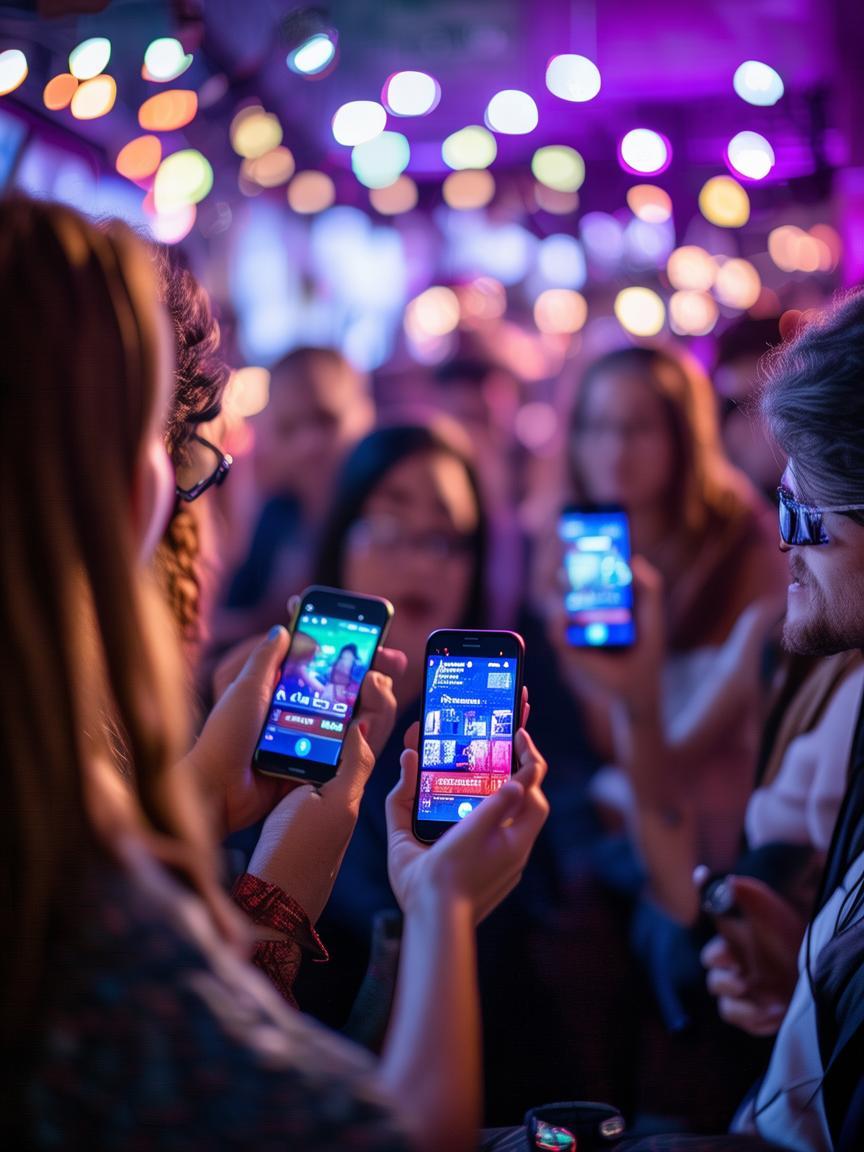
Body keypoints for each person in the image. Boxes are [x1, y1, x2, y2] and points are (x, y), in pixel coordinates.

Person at [0, 197, 550, 1151]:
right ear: (130, 487)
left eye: (443, 536)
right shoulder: (58, 803)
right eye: (170, 444)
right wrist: (410, 907)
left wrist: (200, 802)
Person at [217, 347, 376, 643]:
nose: (308, 445)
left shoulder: (389, 520)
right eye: (289, 429)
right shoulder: (276, 515)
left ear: (365, 414)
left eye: (325, 419)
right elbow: (234, 611)